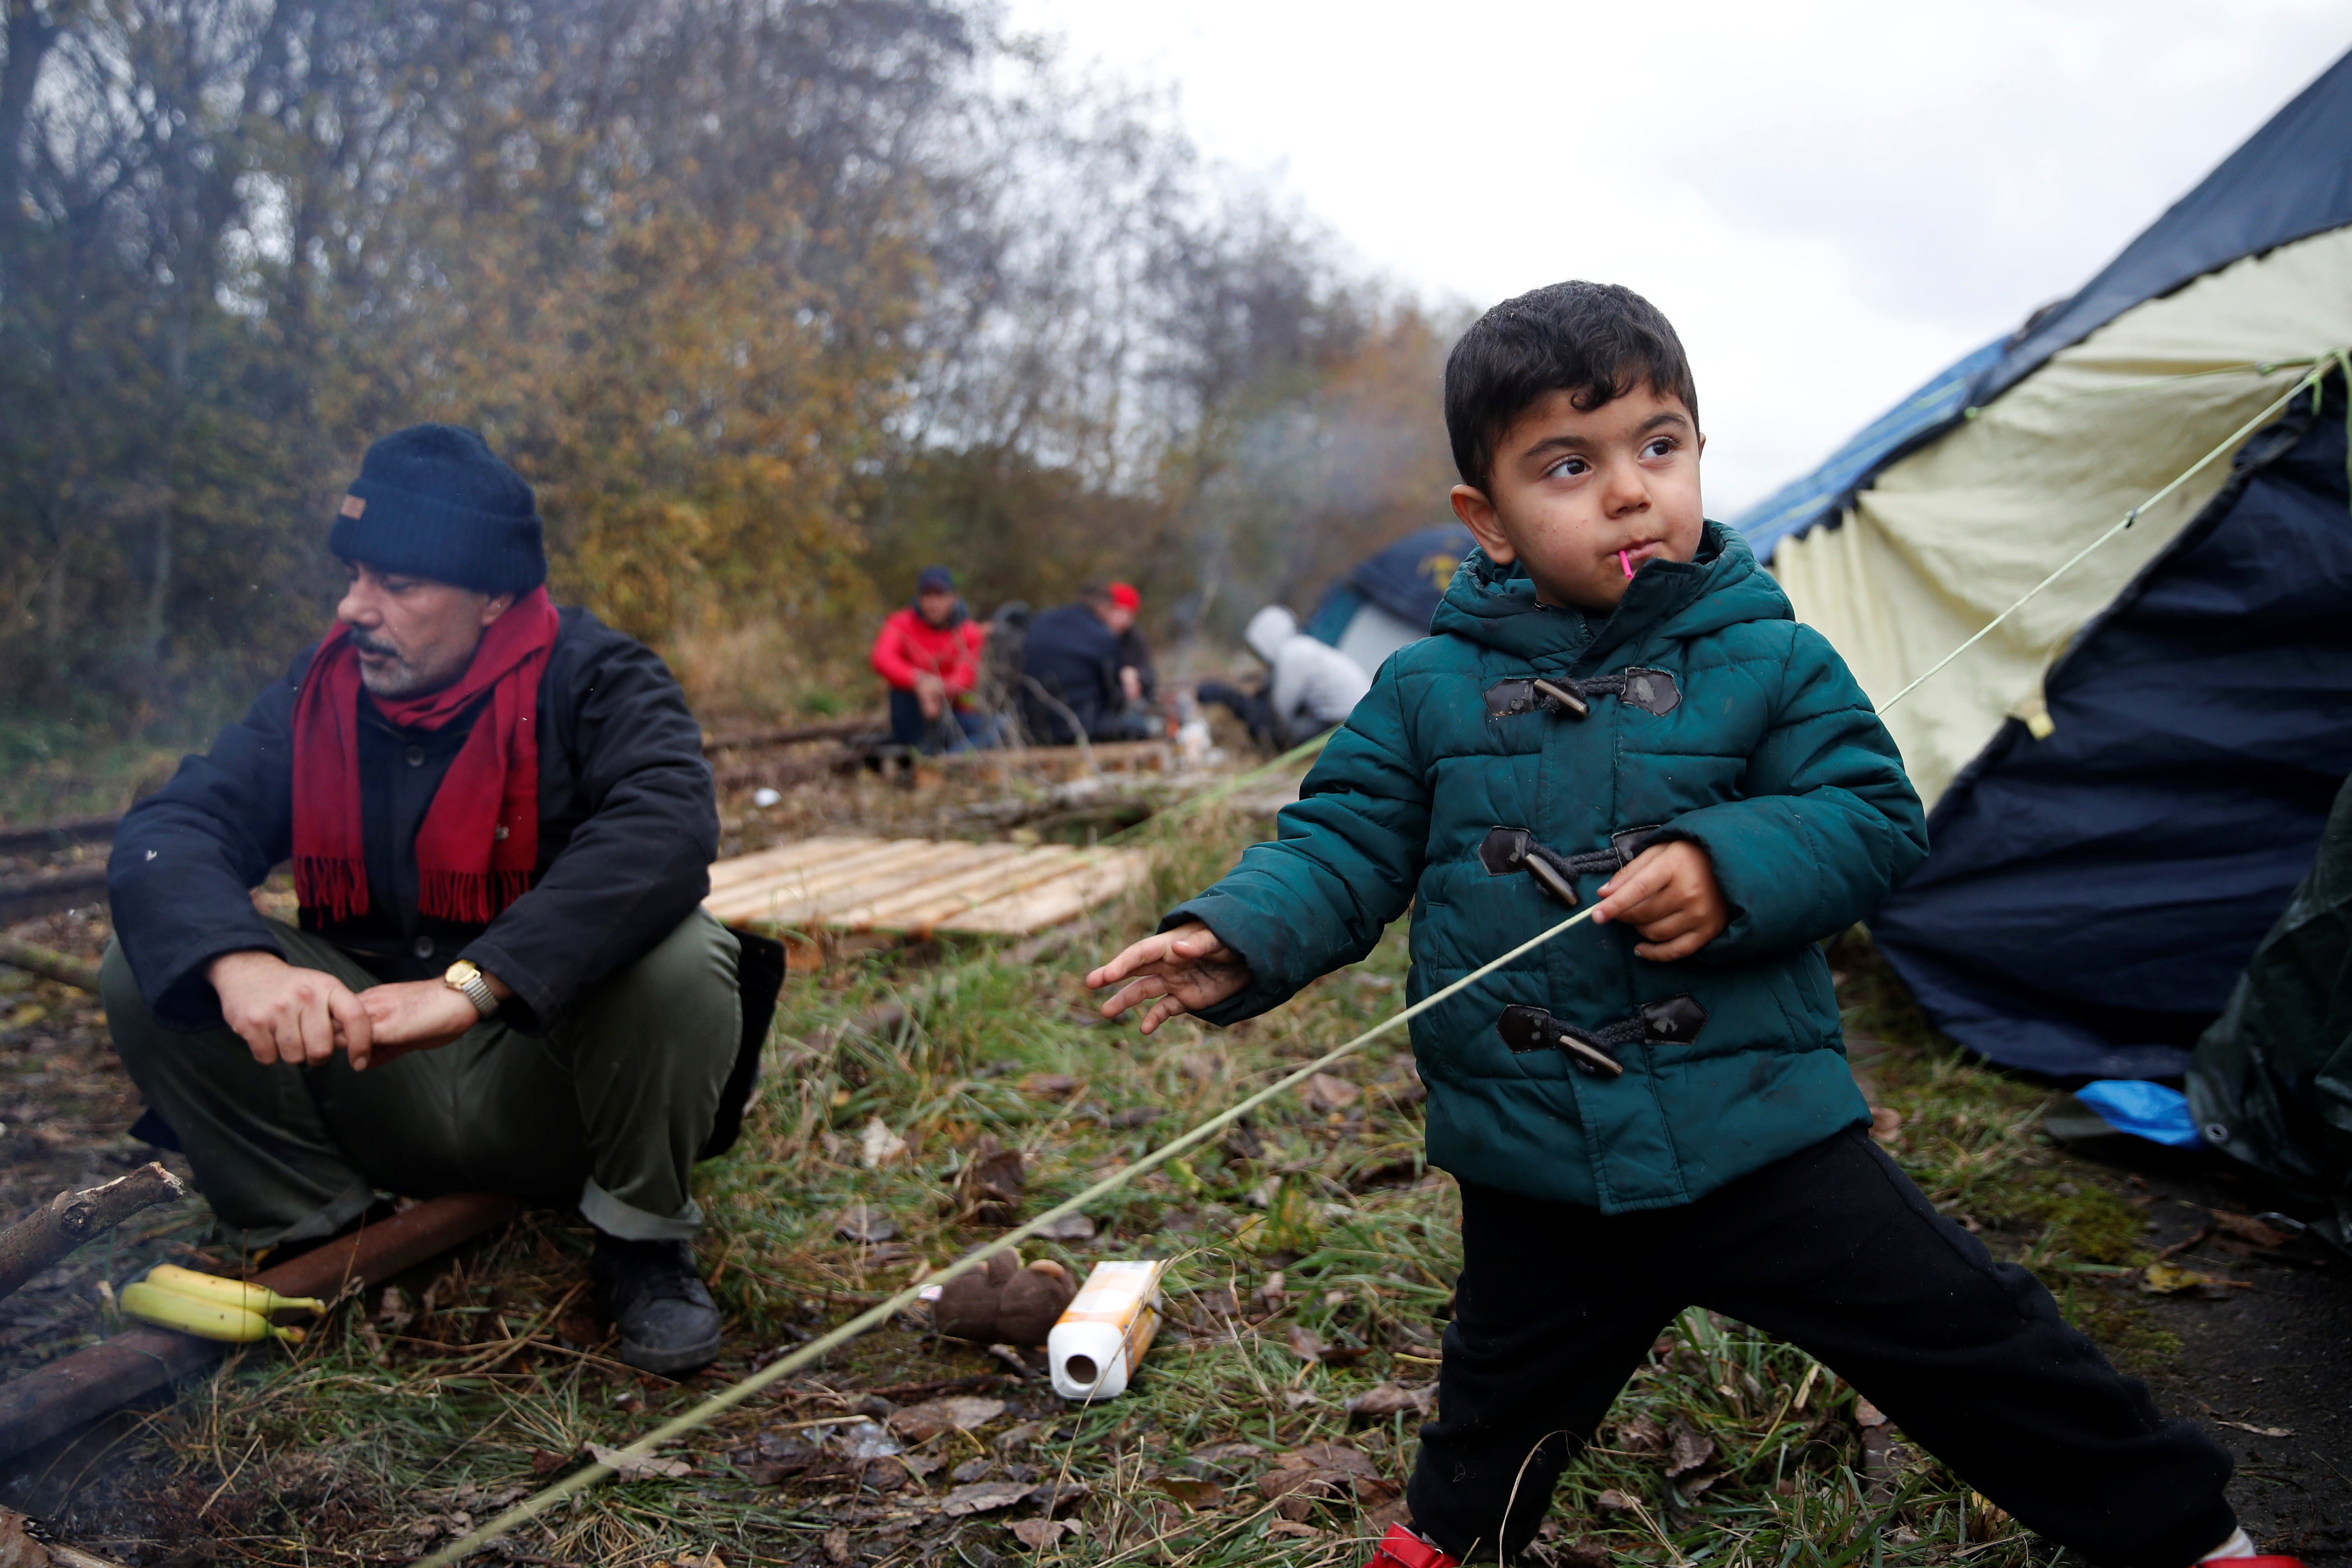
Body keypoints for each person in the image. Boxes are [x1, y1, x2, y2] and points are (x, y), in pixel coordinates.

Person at [1086, 284, 2273, 1568]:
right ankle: (1439, 1550)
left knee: (1969, 1336)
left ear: (1698, 452)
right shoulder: (1424, 691)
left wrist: (1727, 860)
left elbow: (1869, 814)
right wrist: (1242, 931)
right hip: (1536, 1164)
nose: (1627, 491)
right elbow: (1341, 841)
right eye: (1566, 464)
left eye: (1658, 446)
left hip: (1759, 1129)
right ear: (1484, 521)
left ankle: (2192, 1538)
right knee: (1492, 1425)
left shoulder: (1771, 659)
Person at [101, 424, 776, 1377]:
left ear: (495, 595)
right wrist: (239, 959)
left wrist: (474, 985)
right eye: (354, 577)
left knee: (686, 952)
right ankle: (314, 1225)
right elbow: (176, 825)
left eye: (398, 586)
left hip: (550, 1089)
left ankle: (641, 1242)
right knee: (154, 955)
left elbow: (664, 831)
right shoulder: (318, 690)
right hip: (374, 1072)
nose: (354, 609)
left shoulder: (599, 677)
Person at [1196, 604, 1372, 749]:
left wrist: (1226, 696)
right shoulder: (1301, 648)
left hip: (1347, 728)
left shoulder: (1292, 656)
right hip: (1352, 722)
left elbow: (1275, 723)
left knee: (1280, 738)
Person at [1017, 580, 1158, 744]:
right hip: (1081, 728)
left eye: (1129, 614)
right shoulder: (1102, 637)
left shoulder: (1043, 622)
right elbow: (1116, 698)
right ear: (1106, 609)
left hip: (1032, 726)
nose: (1124, 620)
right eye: (1119, 612)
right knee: (1144, 726)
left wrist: (1138, 676)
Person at [870, 565, 992, 753]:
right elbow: (882, 658)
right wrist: (918, 681)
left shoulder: (969, 632)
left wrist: (937, 689)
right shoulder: (901, 623)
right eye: (927, 595)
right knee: (901, 695)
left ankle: (949, 758)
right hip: (911, 713)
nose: (933, 602)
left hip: (953, 713)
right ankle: (929, 754)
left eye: (940, 595)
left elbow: (966, 677)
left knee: (997, 728)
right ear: (919, 598)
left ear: (954, 598)